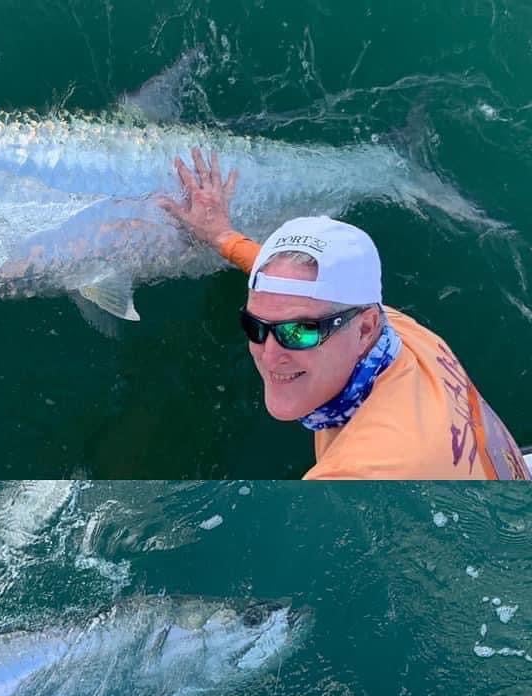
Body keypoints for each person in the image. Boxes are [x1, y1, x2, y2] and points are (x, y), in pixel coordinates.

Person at [158, 150, 530, 479]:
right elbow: (291, 294)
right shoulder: (399, 333)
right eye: (254, 326)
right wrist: (224, 237)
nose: (269, 354)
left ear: (365, 328)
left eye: (301, 331)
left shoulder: (361, 474)